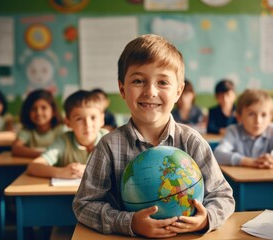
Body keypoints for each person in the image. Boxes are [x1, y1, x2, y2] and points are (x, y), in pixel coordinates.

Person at [73, 34, 235, 238]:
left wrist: (205, 219)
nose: (150, 91)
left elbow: (224, 197)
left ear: (178, 91)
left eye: (163, 82)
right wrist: (129, 223)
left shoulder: (192, 141)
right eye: (139, 80)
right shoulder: (109, 146)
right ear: (122, 89)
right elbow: (84, 204)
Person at [214, 89, 273, 168]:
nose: (258, 120)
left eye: (264, 115)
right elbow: (218, 154)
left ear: (270, 118)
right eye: (251, 114)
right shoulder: (233, 131)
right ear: (239, 117)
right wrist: (249, 162)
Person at [27, 90, 108, 178]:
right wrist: (60, 172)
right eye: (79, 119)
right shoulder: (63, 141)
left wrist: (89, 169)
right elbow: (33, 167)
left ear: (102, 120)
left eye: (93, 117)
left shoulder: (109, 139)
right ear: (68, 122)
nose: (87, 124)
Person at [11, 89, 64, 158]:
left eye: (43, 108)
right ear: (28, 112)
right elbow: (15, 149)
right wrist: (45, 155)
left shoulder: (61, 129)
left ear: (53, 111)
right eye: (33, 109)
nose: (38, 113)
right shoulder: (27, 131)